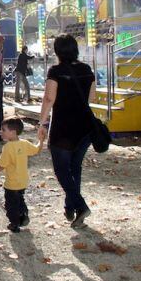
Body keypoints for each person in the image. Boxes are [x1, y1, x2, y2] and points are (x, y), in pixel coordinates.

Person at [38, 34, 95, 229]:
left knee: (61, 170)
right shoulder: (87, 70)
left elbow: (48, 99)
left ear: (57, 51)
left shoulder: (55, 71)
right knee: (75, 167)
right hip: (84, 127)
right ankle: (71, 207)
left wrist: (42, 124)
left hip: (63, 128)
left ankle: (80, 205)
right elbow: (92, 96)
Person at [0, 117, 43, 232]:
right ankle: (23, 215)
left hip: (11, 183)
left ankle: (14, 223)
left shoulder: (8, 147)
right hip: (23, 180)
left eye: (3, 130)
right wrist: (41, 140)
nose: (1, 131)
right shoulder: (24, 143)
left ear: (13, 132)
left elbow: (3, 164)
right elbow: (36, 150)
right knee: (20, 199)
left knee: (10, 204)